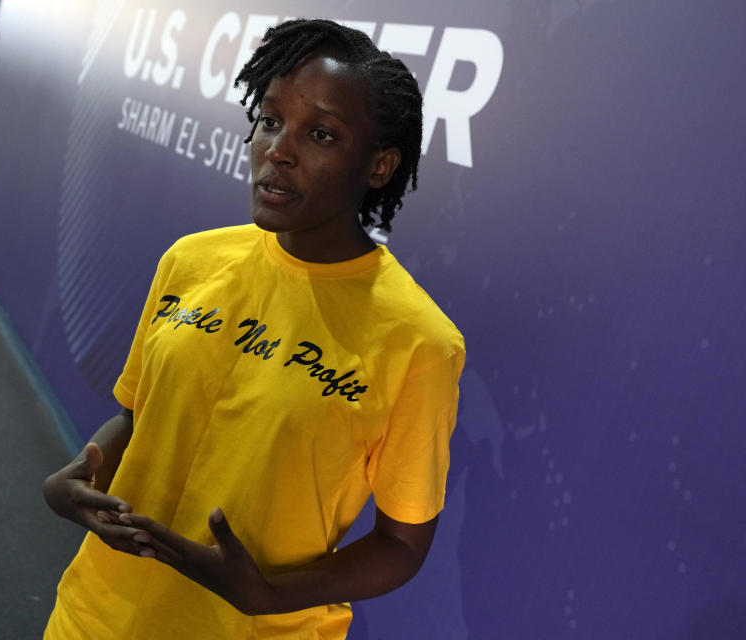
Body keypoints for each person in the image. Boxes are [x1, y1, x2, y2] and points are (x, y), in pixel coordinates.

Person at [42, 18, 465, 639]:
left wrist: (269, 595)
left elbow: (402, 543)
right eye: (269, 121)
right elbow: (139, 420)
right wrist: (78, 476)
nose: (279, 150)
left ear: (379, 167)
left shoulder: (418, 341)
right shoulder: (191, 260)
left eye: (320, 133)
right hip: (93, 616)